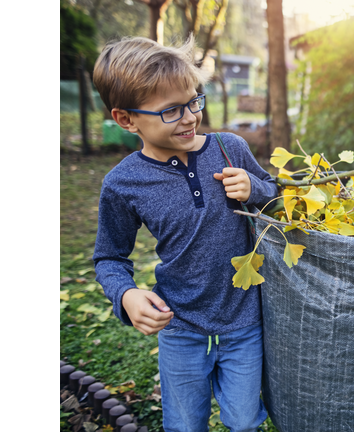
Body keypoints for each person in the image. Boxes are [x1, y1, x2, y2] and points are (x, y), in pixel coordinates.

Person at [91, 35, 278, 432]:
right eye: (172, 110)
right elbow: (109, 257)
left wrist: (255, 188)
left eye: (194, 100)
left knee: (245, 422)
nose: (191, 117)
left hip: (243, 322)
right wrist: (124, 294)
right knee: (184, 425)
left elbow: (274, 195)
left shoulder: (230, 148)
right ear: (126, 119)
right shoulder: (123, 183)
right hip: (180, 327)